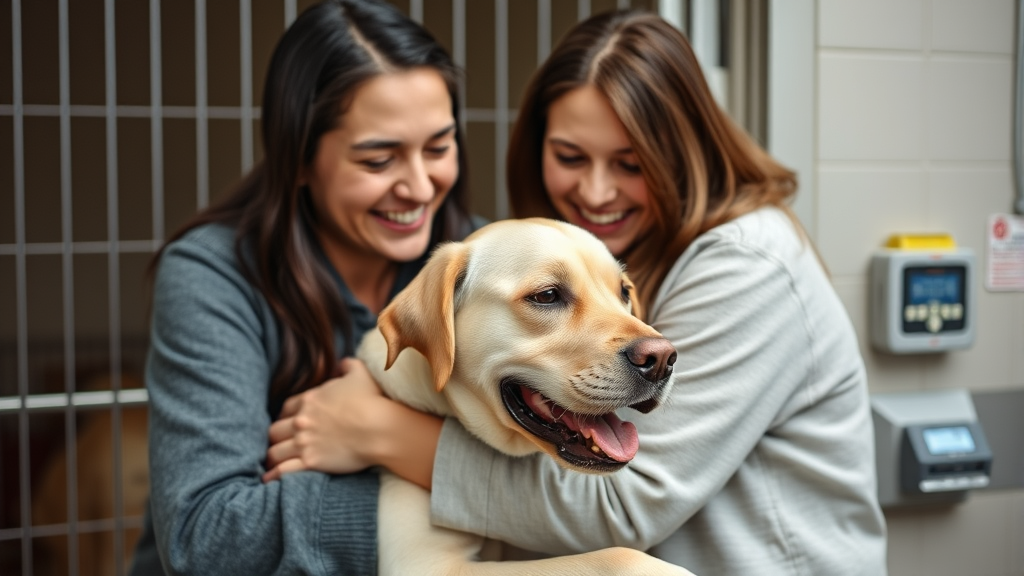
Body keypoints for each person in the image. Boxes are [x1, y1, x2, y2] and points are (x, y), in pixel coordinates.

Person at [265, 8, 889, 576]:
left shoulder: (748, 262)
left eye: (630, 162)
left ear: (683, 152)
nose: (594, 193)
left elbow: (624, 504)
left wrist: (376, 431)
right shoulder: (566, 249)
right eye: (569, 155)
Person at [128, 1, 478, 574]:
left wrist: (377, 435)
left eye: (438, 148)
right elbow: (207, 535)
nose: (419, 186)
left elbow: (553, 478)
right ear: (298, 161)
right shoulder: (213, 275)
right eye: (378, 159)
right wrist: (450, 488)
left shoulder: (483, 264)